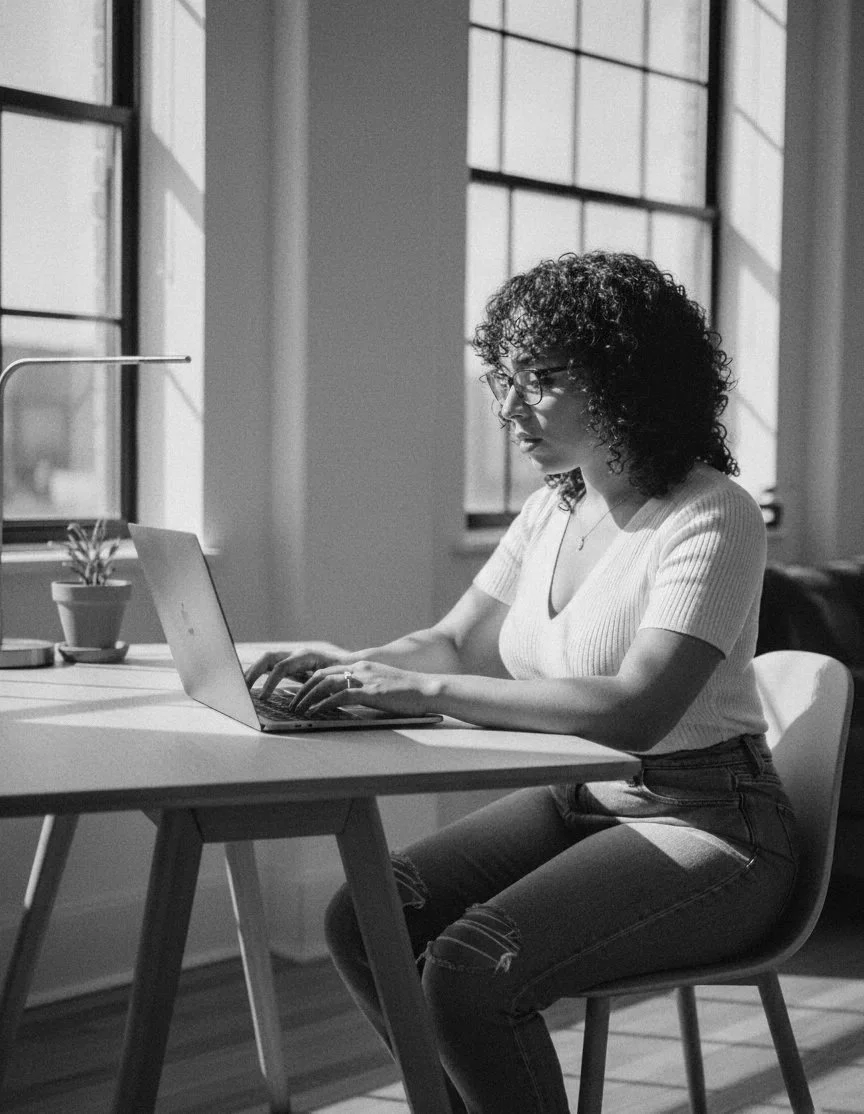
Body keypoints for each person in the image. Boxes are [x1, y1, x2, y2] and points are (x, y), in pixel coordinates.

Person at [245, 251, 797, 1114]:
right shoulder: (553, 505)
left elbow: (637, 709)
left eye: (540, 378)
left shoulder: (711, 512)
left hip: (711, 821)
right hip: (579, 799)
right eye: (506, 377)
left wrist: (421, 693)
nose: (507, 406)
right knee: (365, 920)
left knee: (469, 973)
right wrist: (353, 664)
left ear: (626, 378)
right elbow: (456, 641)